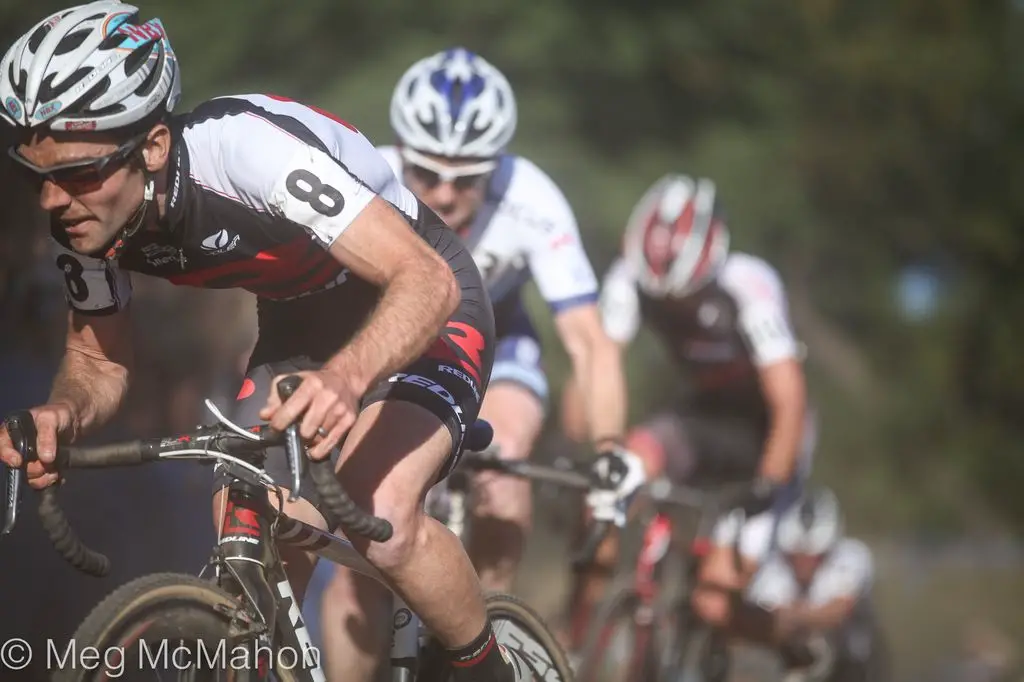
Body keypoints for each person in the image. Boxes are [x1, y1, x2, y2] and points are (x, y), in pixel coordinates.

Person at [0, 4, 594, 680]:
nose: (53, 201)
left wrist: (346, 378)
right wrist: (64, 413)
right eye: (35, 176)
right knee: (241, 514)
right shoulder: (89, 219)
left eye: (79, 173)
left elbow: (424, 280)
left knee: (383, 513)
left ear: (154, 147)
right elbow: (96, 357)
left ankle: (491, 669)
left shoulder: (248, 156)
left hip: (423, 300)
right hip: (300, 326)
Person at [316, 46, 645, 681]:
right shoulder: (368, 176)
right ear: (401, 153)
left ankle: (481, 620)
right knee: (357, 558)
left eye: (468, 179)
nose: (445, 193)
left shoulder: (532, 197)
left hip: (496, 346)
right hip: (392, 342)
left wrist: (609, 444)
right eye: (428, 173)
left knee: (503, 475)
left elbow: (587, 338)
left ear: (496, 168)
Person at [561, 173, 815, 652]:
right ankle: (570, 635)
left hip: (766, 435)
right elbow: (598, 366)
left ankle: (793, 640)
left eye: (684, 295)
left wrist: (769, 482)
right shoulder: (631, 277)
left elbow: (790, 400)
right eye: (663, 300)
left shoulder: (749, 285)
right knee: (608, 490)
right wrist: (583, 442)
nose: (672, 305)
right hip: (699, 421)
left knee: (712, 604)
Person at [740, 487, 887, 682]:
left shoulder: (852, 557)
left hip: (853, 666)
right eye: (797, 557)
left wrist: (793, 616)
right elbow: (765, 620)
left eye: (813, 557)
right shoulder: (772, 566)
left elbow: (838, 611)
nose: (804, 564)